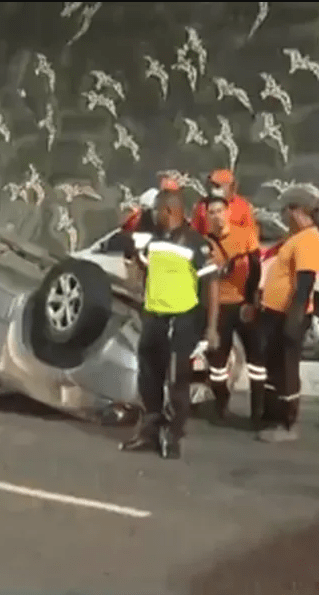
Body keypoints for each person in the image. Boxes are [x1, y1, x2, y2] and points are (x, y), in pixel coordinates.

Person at [121, 189, 220, 459]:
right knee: (148, 378)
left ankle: (172, 435)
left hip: (182, 319)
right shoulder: (154, 242)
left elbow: (212, 285)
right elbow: (142, 267)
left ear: (168, 211)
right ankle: (149, 432)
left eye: (155, 210)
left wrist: (211, 328)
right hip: (153, 317)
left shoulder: (195, 244)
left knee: (177, 381)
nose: (153, 215)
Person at [256, 187, 319, 442]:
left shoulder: (308, 239)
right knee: (275, 367)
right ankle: (273, 416)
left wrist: (294, 320)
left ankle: (287, 423)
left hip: (289, 316)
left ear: (298, 211)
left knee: (286, 368)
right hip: (276, 313)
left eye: (287, 211)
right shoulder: (295, 238)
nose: (284, 216)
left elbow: (304, 283)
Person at [202, 195, 266, 426]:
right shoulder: (205, 243)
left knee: (256, 361)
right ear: (207, 217)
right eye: (212, 212)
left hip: (243, 304)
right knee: (217, 363)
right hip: (219, 307)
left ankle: (258, 412)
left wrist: (251, 302)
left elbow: (256, 269)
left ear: (228, 212)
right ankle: (221, 403)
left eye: (220, 211)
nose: (216, 216)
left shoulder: (245, 234)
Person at [191, 169, 257, 237]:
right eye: (211, 185)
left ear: (232, 187)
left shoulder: (243, 206)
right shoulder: (201, 206)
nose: (213, 189)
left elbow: (251, 235)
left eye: (217, 186)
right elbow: (195, 233)